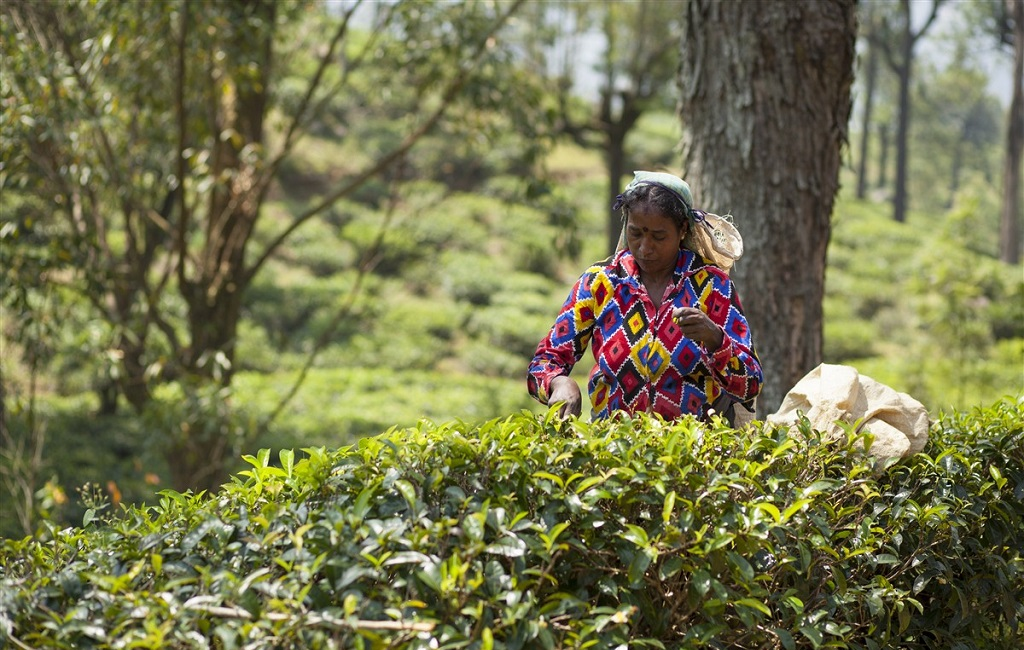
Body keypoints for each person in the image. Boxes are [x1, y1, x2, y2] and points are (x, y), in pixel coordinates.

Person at [527, 170, 762, 422]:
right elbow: (545, 362)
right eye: (636, 233)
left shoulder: (712, 286)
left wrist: (716, 339)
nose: (645, 247)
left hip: (696, 451)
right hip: (615, 448)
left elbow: (750, 384)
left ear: (682, 229)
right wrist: (559, 383)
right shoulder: (600, 283)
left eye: (659, 237)